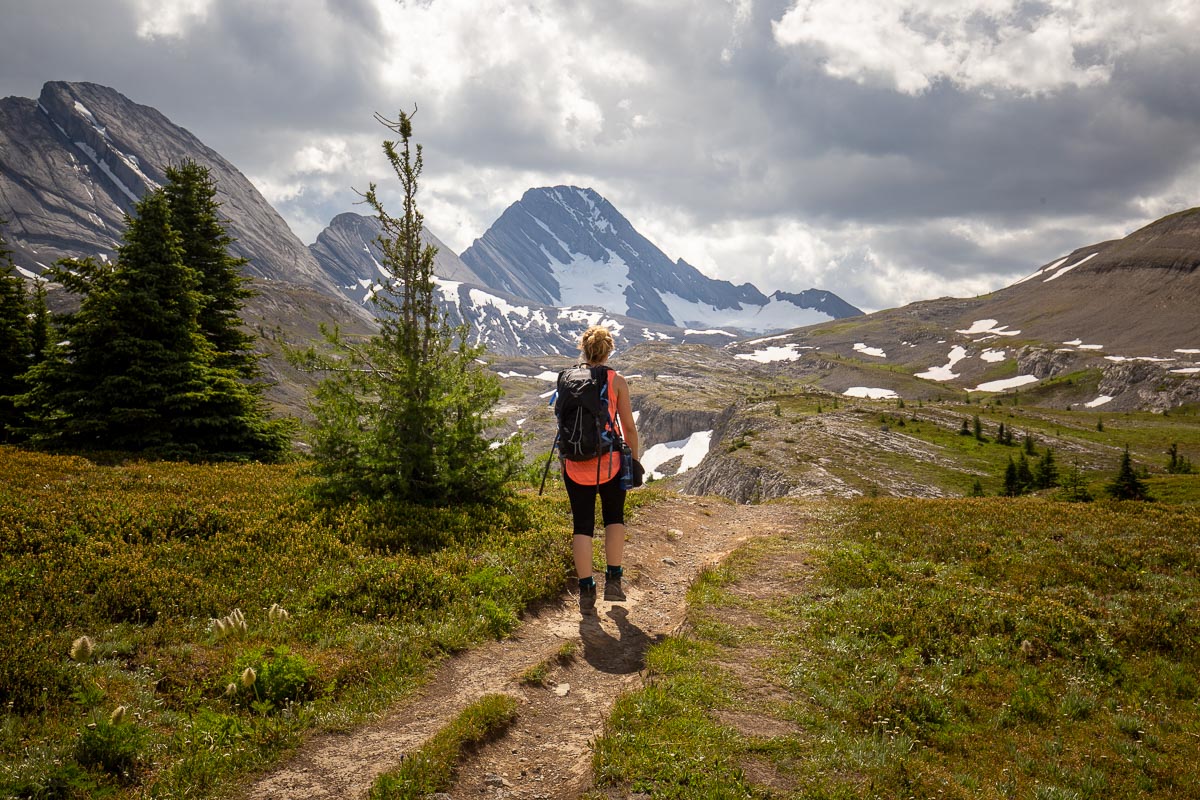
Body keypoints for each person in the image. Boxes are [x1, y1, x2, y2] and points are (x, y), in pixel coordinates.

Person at [563, 325, 639, 615]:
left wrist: (564, 462)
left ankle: (585, 590)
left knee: (582, 526)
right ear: (609, 351)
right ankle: (614, 581)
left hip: (574, 462)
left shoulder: (567, 378)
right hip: (610, 463)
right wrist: (633, 460)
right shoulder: (616, 380)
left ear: (583, 349)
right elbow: (628, 427)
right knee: (613, 519)